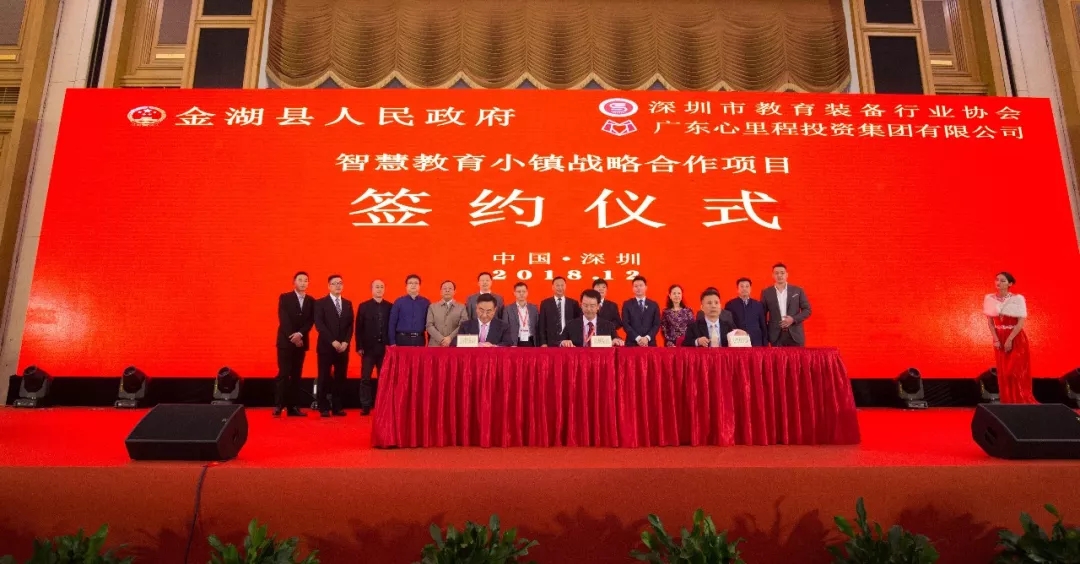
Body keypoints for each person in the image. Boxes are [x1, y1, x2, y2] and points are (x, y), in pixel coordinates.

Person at [983, 272, 1035, 404]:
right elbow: (990, 322)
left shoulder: (1018, 299)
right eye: (997, 280)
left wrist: (1010, 339)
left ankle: (1020, 400)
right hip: (999, 337)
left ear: (1010, 284)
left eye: (1003, 280)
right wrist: (995, 339)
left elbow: (1021, 322)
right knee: (1004, 372)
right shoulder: (989, 299)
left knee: (1015, 371)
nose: (998, 283)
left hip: (1016, 337)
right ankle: (1008, 401)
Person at [274, 271, 315, 417]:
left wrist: (300, 334)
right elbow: (283, 319)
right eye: (300, 280)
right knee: (284, 374)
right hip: (285, 342)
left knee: (297, 375)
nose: (303, 283)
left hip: (301, 343)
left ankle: (293, 408)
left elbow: (310, 321)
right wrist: (293, 336)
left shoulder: (311, 301)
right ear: (294, 282)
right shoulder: (285, 297)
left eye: (305, 280)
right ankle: (278, 405)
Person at [314, 274, 354, 417]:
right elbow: (320, 325)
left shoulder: (348, 303)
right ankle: (323, 407)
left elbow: (350, 325)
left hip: (343, 347)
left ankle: (337, 407)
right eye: (334, 283)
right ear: (329, 286)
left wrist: (346, 342)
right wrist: (332, 341)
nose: (338, 285)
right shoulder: (320, 303)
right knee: (324, 376)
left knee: (340, 377)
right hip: (326, 346)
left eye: (340, 283)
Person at [355, 279, 392, 415]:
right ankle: (365, 405)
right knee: (365, 378)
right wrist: (359, 346)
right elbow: (358, 328)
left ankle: (383, 405)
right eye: (377, 287)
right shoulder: (364, 306)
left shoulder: (390, 306)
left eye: (382, 287)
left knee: (384, 379)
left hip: (384, 349)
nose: (379, 289)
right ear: (372, 289)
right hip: (368, 349)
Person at [760, 263, 811, 346]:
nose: (779, 275)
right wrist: (765, 334)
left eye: (782, 273)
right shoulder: (766, 292)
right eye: (776, 273)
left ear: (787, 274)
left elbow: (807, 310)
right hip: (775, 336)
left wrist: (793, 319)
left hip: (795, 334)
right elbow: (762, 314)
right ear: (772, 275)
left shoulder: (797, 290)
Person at [560, 289, 625, 347]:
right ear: (581, 305)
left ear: (598, 306)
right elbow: (558, 342)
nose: (588, 309)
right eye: (585, 305)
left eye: (592, 306)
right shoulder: (571, 325)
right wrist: (563, 342)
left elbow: (616, 339)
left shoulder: (608, 325)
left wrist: (616, 340)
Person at [538, 276, 582, 346]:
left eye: (562, 285)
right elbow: (542, 325)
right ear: (552, 287)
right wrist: (543, 343)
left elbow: (577, 323)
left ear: (565, 286)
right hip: (551, 341)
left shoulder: (573, 303)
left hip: (569, 341)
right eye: (557, 285)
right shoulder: (545, 303)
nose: (560, 288)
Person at [388, 274, 430, 346]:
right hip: (401, 339)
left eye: (416, 283)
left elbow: (429, 324)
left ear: (419, 286)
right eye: (410, 283)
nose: (413, 285)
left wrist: (430, 342)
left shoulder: (425, 302)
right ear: (406, 286)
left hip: (419, 340)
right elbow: (392, 323)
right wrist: (392, 342)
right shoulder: (399, 302)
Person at [725, 278, 767, 346]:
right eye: (742, 286)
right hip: (738, 341)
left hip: (756, 341)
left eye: (747, 286)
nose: (744, 289)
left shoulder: (758, 305)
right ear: (737, 289)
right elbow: (728, 325)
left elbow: (763, 325)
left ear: (750, 289)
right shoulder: (730, 305)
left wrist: (765, 343)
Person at [426, 280, 468, 347]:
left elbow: (463, 325)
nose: (447, 290)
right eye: (444, 288)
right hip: (435, 345)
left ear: (454, 291)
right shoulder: (432, 307)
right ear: (441, 291)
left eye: (450, 288)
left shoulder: (462, 307)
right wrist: (441, 339)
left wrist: (450, 338)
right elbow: (429, 325)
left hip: (454, 344)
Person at [621, 275, 660, 346]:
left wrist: (647, 338)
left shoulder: (653, 305)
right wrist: (638, 338)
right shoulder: (627, 304)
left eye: (641, 285)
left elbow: (656, 324)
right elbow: (625, 324)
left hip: (650, 343)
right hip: (632, 343)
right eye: (636, 286)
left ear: (646, 287)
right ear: (633, 288)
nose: (638, 288)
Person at [501, 282, 540, 346]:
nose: (521, 293)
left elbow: (538, 326)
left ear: (527, 293)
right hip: (514, 342)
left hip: (531, 341)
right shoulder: (508, 309)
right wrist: (509, 343)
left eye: (524, 291)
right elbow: (505, 328)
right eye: (519, 291)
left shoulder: (534, 308)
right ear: (514, 293)